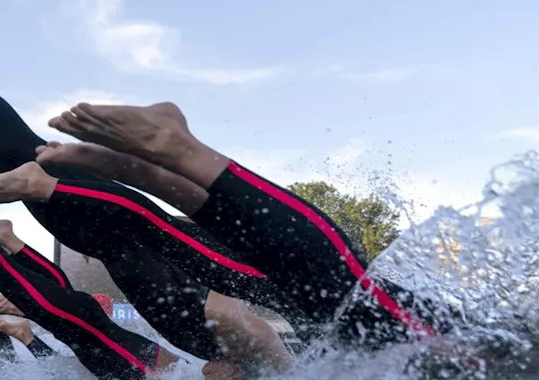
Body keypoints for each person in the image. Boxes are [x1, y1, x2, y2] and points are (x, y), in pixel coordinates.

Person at [0, 44, 287, 358]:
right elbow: (251, 325)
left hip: (110, 242)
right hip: (121, 225)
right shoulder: (245, 323)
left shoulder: (208, 338)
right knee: (22, 148)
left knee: (7, 155)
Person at [33, 100, 453, 349]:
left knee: (332, 296)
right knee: (348, 291)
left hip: (312, 318)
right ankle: (183, 150)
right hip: (444, 339)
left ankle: (144, 159)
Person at [0, 201, 178, 380]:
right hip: (92, 324)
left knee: (33, 294)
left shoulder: (164, 372)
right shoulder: (179, 376)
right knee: (9, 277)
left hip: (90, 330)